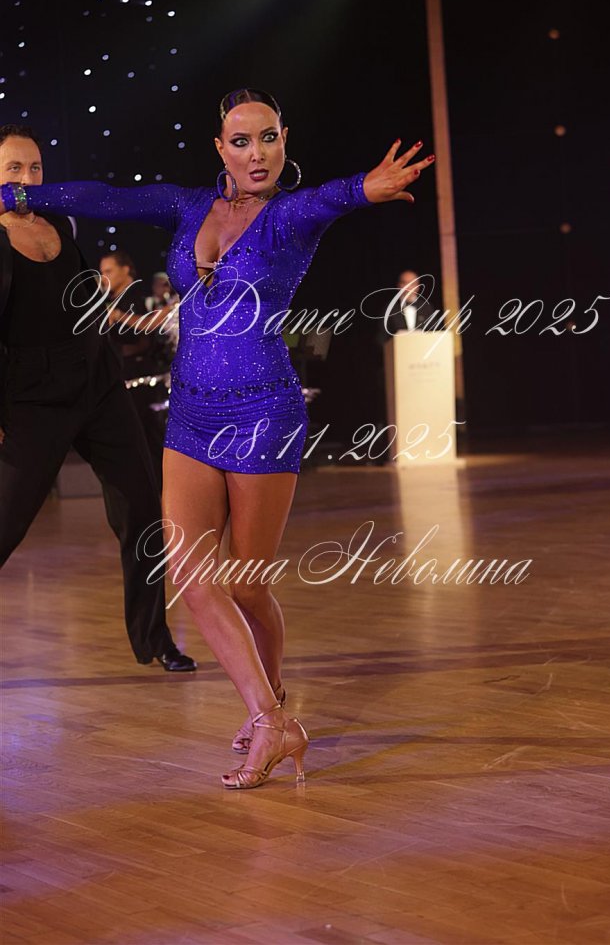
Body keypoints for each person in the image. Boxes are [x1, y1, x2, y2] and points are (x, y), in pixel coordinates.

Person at [0, 88, 434, 788]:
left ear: (284, 141)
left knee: (245, 583)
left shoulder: (289, 216)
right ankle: (271, 718)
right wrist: (15, 194)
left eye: (269, 138)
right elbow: (105, 197)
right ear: (219, 148)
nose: (256, 154)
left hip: (263, 412)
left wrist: (367, 186)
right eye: (241, 141)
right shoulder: (186, 205)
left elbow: (332, 199)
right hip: (191, 417)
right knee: (192, 578)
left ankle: (275, 702)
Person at [0, 124, 196, 673]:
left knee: (142, 507)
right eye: (14, 168)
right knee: (6, 524)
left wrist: (123, 330)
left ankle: (155, 639)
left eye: (35, 168)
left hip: (97, 384)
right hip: (32, 400)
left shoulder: (60, 220)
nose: (27, 178)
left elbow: (85, 298)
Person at [99, 249, 170, 488]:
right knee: (139, 437)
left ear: (126, 269)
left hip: (140, 379)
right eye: (101, 272)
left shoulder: (135, 299)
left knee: (146, 436)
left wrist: (116, 323)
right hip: (126, 376)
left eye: (109, 271)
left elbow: (145, 336)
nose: (104, 277)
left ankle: (158, 489)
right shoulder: (114, 301)